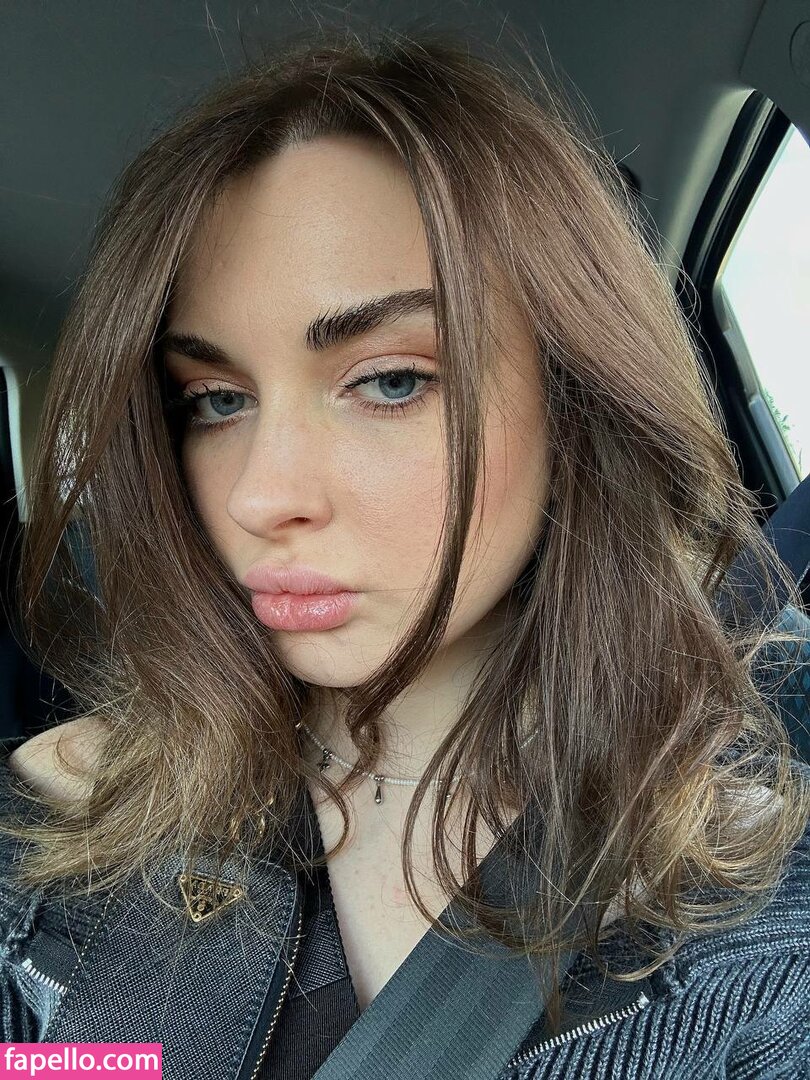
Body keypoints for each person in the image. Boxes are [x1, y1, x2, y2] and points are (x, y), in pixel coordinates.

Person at [1, 28, 809, 1080]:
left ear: (577, 400)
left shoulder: (760, 932)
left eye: (390, 381)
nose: (259, 497)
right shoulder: (57, 837)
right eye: (217, 399)